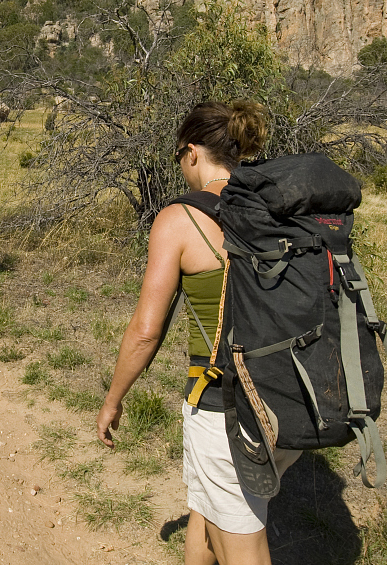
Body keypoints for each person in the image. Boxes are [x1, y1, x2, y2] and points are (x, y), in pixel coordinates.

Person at [95, 100, 298, 565]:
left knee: (243, 545)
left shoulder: (180, 220)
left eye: (178, 159)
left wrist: (113, 399)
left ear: (191, 153)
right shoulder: (274, 204)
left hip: (225, 405)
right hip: (286, 393)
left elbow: (147, 331)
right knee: (205, 515)